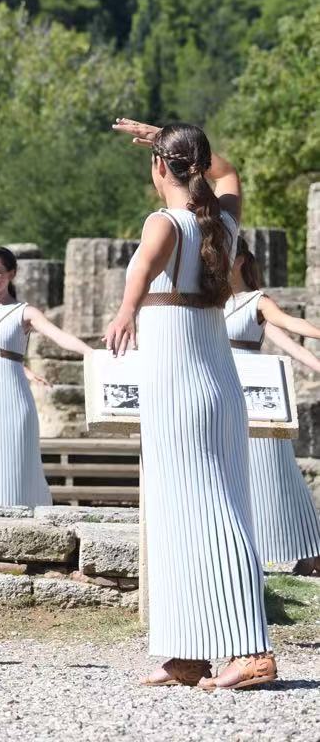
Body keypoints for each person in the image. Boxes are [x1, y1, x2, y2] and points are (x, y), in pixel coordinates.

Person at [104, 118, 274, 690]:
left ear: (159, 168)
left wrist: (127, 309)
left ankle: (252, 650)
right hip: (216, 383)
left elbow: (142, 270)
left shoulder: (164, 222)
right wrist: (173, 141)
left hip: (179, 384)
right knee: (180, 512)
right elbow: (227, 172)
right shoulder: (222, 221)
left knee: (211, 510)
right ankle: (189, 651)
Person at [0, 216, 93, 506]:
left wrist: (92, 353)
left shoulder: (25, 312)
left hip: (12, 402)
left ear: (11, 274)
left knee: (15, 468)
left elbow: (59, 336)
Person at [226, 240, 320, 575]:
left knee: (274, 471)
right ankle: (246, 550)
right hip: (223, 395)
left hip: (258, 397)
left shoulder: (257, 301)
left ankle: (308, 548)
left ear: (239, 261)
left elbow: (289, 331)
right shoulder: (210, 303)